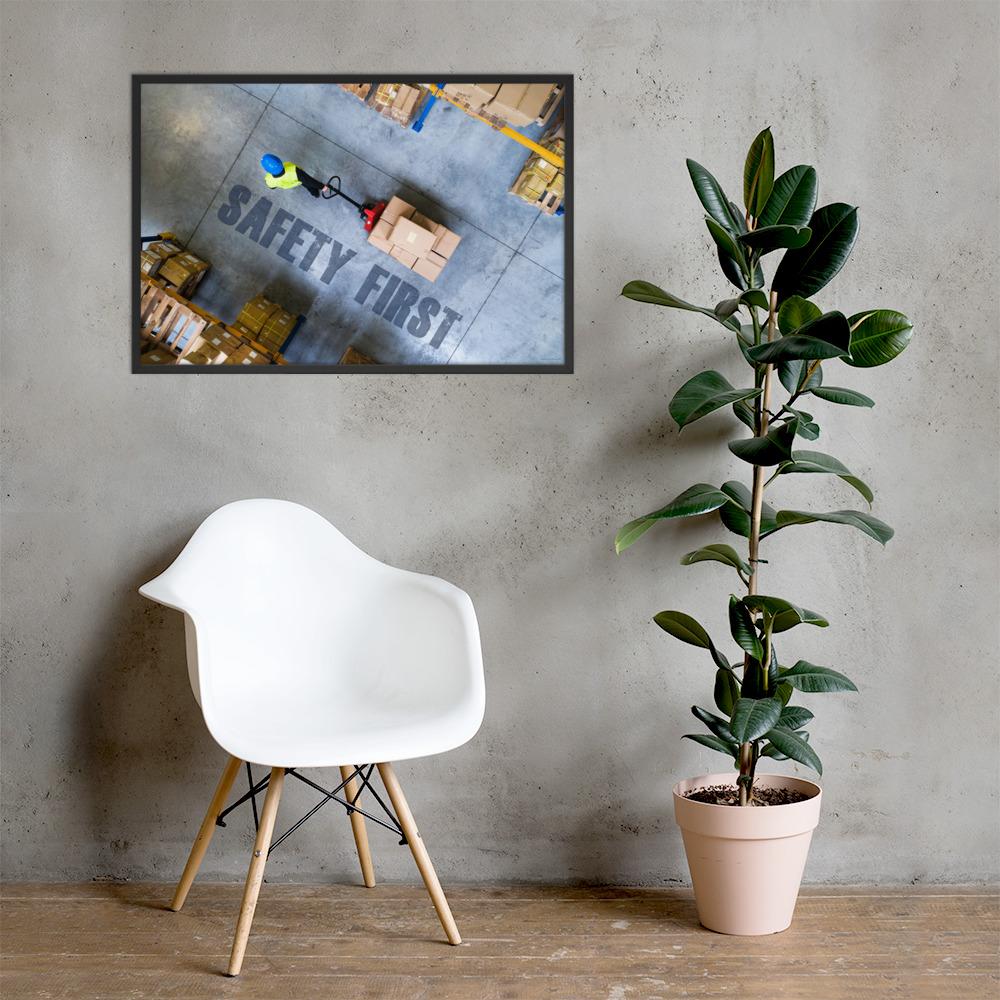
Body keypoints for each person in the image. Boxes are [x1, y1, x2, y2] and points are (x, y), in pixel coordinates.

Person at [260, 153, 330, 198]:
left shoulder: (268, 180)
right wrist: (322, 186)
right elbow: (309, 180)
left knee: (305, 183)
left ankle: (315, 194)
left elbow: (272, 187)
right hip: (298, 179)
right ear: (279, 161)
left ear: (267, 170)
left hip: (290, 184)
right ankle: (315, 192)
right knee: (307, 183)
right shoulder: (294, 171)